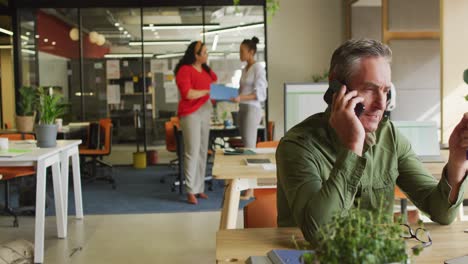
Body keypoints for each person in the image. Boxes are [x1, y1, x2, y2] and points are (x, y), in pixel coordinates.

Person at [276, 38, 468, 243]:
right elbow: (319, 234)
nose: (381, 104)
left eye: (385, 92)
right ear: (336, 85)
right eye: (370, 89)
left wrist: (457, 160)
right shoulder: (297, 146)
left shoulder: (390, 137)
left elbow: (442, 212)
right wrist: (353, 146)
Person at [175, 41, 217, 205]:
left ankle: (199, 188)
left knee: (201, 151)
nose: (207, 55)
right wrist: (207, 91)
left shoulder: (206, 71)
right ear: (196, 55)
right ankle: (190, 190)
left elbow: (215, 84)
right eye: (204, 52)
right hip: (190, 113)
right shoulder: (184, 70)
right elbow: (188, 94)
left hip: (205, 111)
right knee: (192, 151)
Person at [231, 36, 268, 199]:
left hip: (252, 110)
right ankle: (248, 187)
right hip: (243, 108)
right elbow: (242, 92)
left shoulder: (258, 68)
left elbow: (260, 94)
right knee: (246, 147)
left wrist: (241, 98)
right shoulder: (245, 68)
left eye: (242, 51)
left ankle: (251, 189)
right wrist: (236, 97)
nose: (240, 54)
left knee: (250, 149)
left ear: (251, 52)